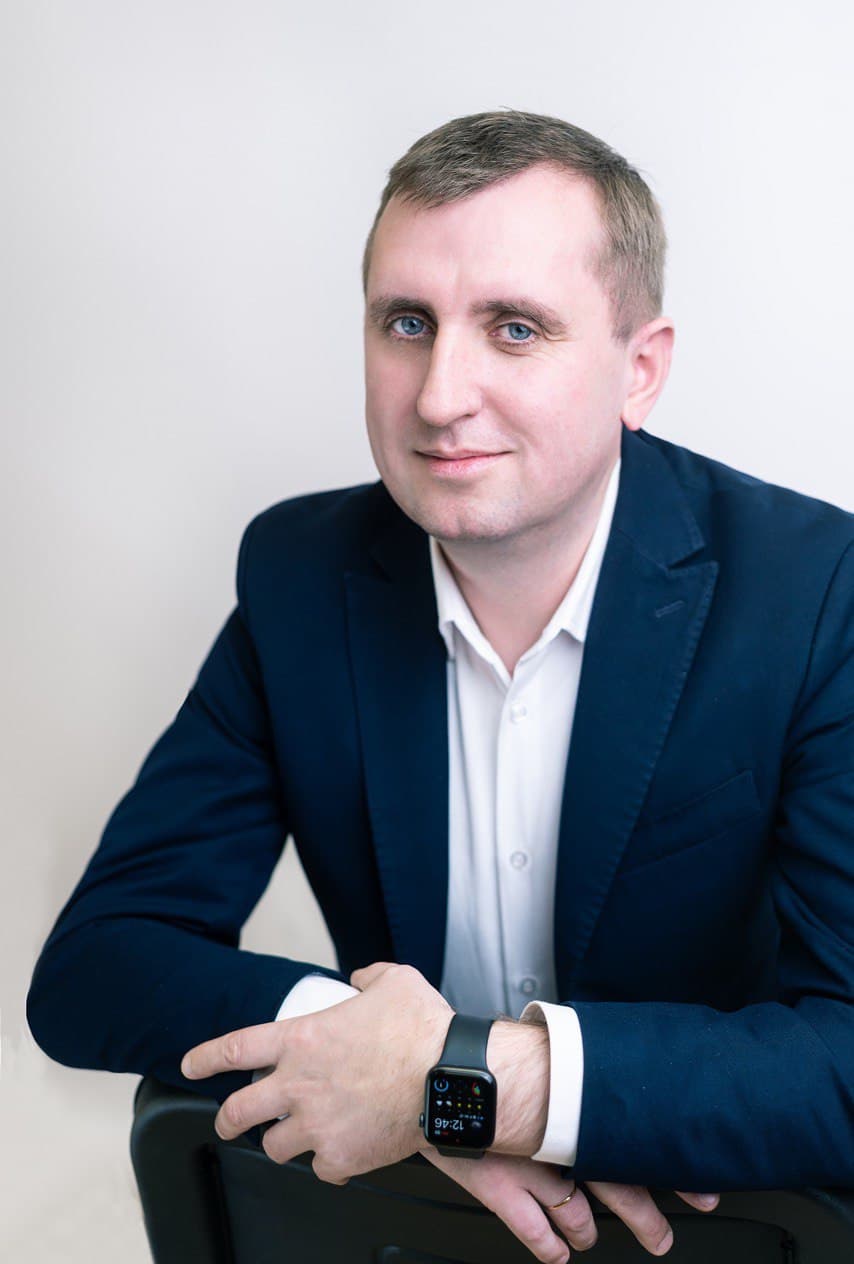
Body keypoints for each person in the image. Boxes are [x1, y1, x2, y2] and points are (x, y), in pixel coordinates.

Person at [27, 110, 854, 1264]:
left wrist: (463, 1080)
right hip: (408, 1224)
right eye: (405, 323)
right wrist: (378, 1064)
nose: (437, 395)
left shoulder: (811, 589)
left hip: (704, 1230)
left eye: (514, 328)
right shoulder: (300, 577)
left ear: (640, 369)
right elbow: (94, 965)